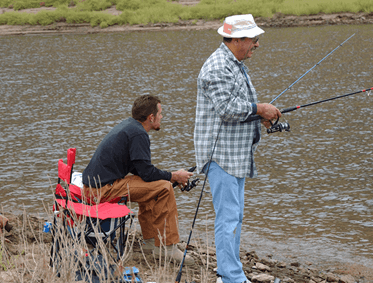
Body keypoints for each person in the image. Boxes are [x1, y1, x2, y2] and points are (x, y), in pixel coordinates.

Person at [194, 14, 281, 283]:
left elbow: (239, 105)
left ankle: (230, 273)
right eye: (254, 39)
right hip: (221, 154)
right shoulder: (218, 67)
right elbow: (228, 109)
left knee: (235, 216)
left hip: (235, 154)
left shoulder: (235, 63)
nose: (257, 44)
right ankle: (230, 277)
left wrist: (261, 117)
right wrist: (260, 109)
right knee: (228, 218)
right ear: (238, 40)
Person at [82, 94, 194, 265]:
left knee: (156, 185)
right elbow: (147, 173)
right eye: (160, 113)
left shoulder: (130, 127)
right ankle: (168, 247)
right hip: (100, 190)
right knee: (164, 188)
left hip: (95, 187)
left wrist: (172, 178)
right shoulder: (138, 134)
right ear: (151, 117)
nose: (161, 117)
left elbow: (140, 171)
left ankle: (151, 242)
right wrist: (173, 176)